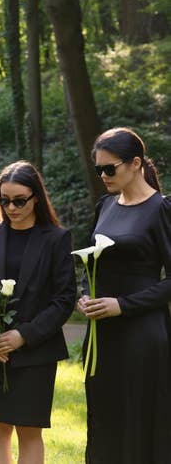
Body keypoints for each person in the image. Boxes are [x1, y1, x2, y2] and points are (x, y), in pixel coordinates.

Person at [0, 160, 76, 464]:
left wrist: (23, 335)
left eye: (19, 200)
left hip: (36, 352)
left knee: (29, 432)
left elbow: (64, 299)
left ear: (36, 197)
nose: (11, 207)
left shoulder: (56, 239)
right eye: (4, 200)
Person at [78, 127, 171, 463]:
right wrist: (85, 297)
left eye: (109, 168)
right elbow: (96, 265)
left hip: (143, 335)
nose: (103, 175)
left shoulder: (161, 208)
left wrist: (123, 305)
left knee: (138, 419)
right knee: (104, 419)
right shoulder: (105, 205)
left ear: (135, 164)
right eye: (98, 169)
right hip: (103, 336)